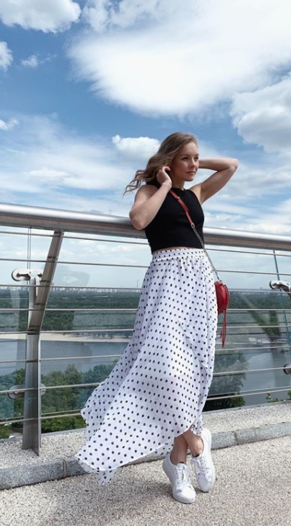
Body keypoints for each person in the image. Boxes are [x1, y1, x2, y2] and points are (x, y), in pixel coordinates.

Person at [73, 132, 238, 504]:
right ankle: (197, 442)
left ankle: (177, 460)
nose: (194, 165)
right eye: (187, 159)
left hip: (198, 283)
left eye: (196, 158)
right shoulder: (150, 191)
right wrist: (164, 182)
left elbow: (231, 165)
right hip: (165, 281)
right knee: (166, 368)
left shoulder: (197, 193)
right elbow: (138, 220)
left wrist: (195, 161)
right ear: (168, 161)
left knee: (192, 369)